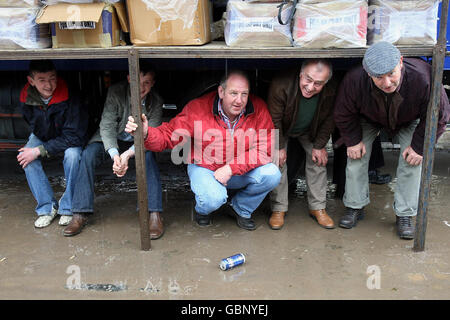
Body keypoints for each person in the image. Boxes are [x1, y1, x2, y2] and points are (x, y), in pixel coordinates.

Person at [125, 70, 281, 231]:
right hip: (205, 167)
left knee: (272, 174)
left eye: (244, 94)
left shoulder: (258, 108)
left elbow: (264, 149)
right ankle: (202, 210)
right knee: (212, 199)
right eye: (233, 93)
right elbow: (169, 134)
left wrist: (230, 168)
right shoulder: (197, 108)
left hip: (237, 170)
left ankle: (240, 208)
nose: (239, 100)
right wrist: (146, 133)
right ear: (221, 91)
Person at [334, 41, 450, 239]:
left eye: (391, 74)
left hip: (409, 120)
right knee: (356, 157)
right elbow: (343, 113)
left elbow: (440, 116)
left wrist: (419, 147)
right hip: (369, 119)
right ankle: (355, 206)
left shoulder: (423, 77)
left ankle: (405, 214)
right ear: (367, 72)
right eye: (379, 77)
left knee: (412, 161)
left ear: (401, 62)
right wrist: (352, 141)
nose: (387, 83)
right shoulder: (354, 79)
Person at [63, 63, 164, 238]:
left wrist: (127, 155)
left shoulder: (156, 101)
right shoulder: (116, 92)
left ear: (153, 83)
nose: (141, 87)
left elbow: (151, 136)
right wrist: (115, 155)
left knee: (148, 159)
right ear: (128, 79)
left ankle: (154, 214)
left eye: (146, 82)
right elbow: (107, 125)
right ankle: (80, 212)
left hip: (138, 143)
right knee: (88, 155)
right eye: (137, 81)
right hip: (111, 139)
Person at [267, 59, 337, 230]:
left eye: (318, 83)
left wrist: (320, 146)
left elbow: (329, 119)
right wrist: (279, 147)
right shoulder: (280, 84)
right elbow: (273, 119)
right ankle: (278, 209)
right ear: (300, 74)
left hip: (309, 129)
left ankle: (317, 207)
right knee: (278, 161)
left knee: (318, 160)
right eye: (308, 79)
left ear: (326, 83)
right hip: (282, 128)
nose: (311, 87)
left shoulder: (332, 89)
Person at [18, 60, 88, 229]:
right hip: (43, 135)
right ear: (31, 81)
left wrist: (40, 150)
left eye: (52, 78)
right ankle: (46, 208)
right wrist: (35, 150)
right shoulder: (25, 96)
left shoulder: (70, 95)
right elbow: (32, 123)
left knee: (73, 156)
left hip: (69, 137)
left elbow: (74, 136)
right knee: (26, 157)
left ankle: (68, 207)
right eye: (42, 80)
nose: (48, 85)